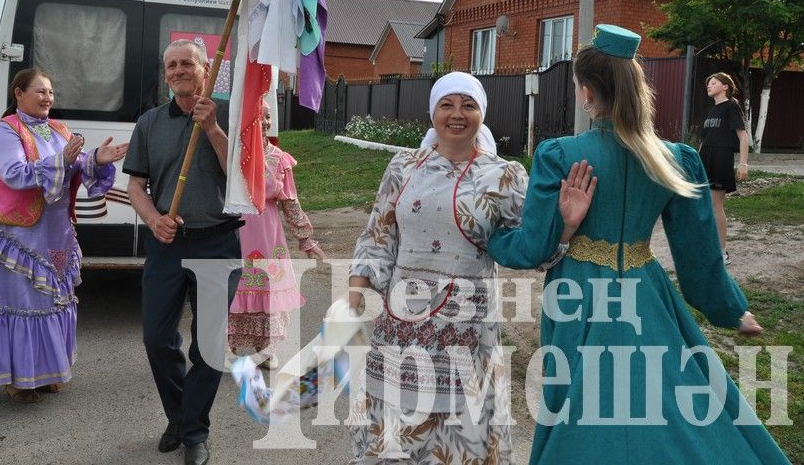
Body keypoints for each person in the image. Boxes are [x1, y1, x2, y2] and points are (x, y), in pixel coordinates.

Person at [487, 24, 789, 464]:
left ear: (587, 91)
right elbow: (698, 256)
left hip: (577, 295)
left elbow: (533, 248)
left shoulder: (561, 155)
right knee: (662, 400)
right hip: (647, 292)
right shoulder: (674, 158)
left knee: (578, 401)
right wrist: (732, 310)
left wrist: (491, 236)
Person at [345, 71, 591, 464]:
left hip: (467, 331)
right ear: (433, 113)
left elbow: (533, 248)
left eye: (468, 105)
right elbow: (379, 233)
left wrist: (567, 226)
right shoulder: (403, 167)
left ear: (482, 114)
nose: (457, 114)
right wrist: (355, 291)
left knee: (460, 435)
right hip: (401, 327)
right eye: (447, 104)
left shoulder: (504, 176)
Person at [0, 68, 126, 404]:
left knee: (49, 301)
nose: (48, 98)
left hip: (55, 231)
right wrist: (61, 161)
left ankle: (46, 371)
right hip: (16, 233)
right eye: (40, 91)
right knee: (18, 300)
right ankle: (18, 379)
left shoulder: (59, 129)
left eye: (50, 92)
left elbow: (74, 165)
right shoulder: (6, 132)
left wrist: (95, 159)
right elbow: (15, 174)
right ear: (18, 94)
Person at [124, 39, 242, 465]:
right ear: (165, 73)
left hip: (218, 241)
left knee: (208, 346)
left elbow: (244, 178)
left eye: (187, 63)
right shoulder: (150, 123)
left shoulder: (229, 115)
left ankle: (193, 431)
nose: (178, 70)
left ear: (205, 68)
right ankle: (180, 413)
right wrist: (154, 218)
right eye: (171, 65)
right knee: (156, 337)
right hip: (167, 245)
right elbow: (136, 186)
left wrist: (211, 129)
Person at [228, 100, 323, 368]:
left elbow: (291, 203)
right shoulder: (233, 156)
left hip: (268, 236)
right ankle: (230, 344)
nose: (266, 122)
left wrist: (305, 239)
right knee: (234, 289)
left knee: (267, 290)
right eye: (259, 116)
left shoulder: (280, 160)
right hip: (235, 233)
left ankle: (265, 349)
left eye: (268, 117)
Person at [699, 72, 748, 264]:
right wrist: (696, 161)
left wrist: (743, 163)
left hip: (722, 157)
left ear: (725, 86)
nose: (709, 86)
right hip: (705, 158)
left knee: (715, 205)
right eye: (708, 83)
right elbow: (703, 141)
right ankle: (709, 247)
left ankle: (722, 252)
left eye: (713, 82)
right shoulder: (710, 111)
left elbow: (743, 136)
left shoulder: (731, 107)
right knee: (704, 205)